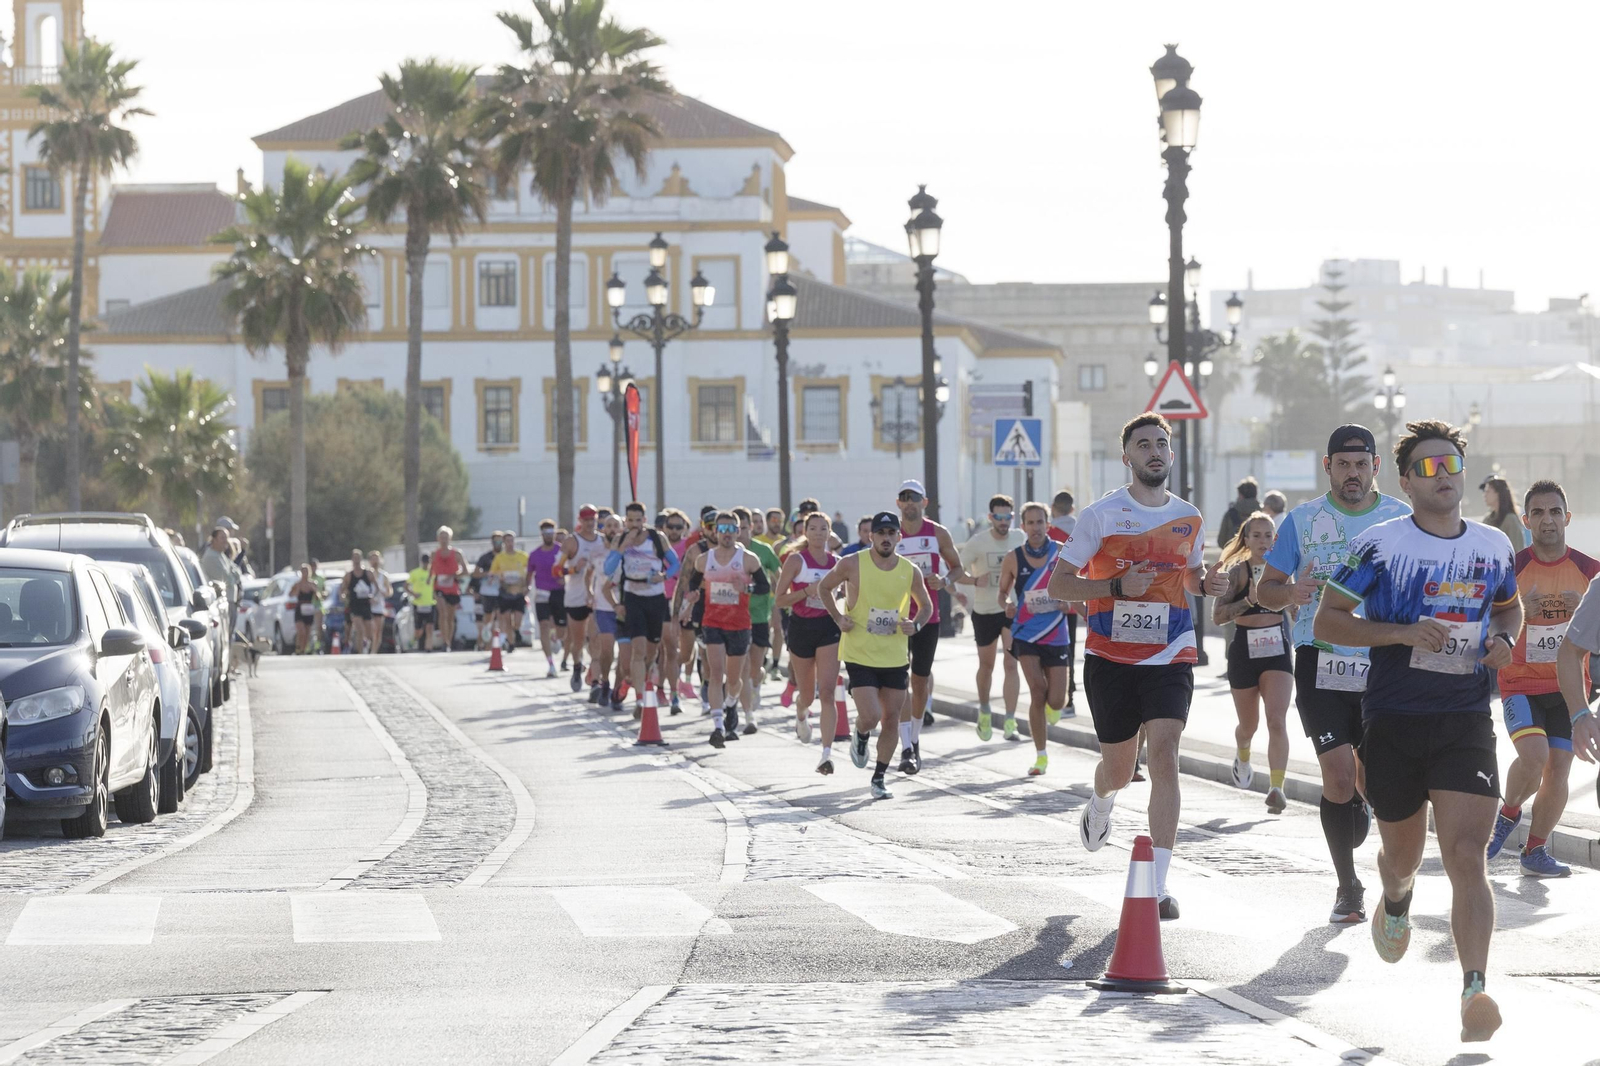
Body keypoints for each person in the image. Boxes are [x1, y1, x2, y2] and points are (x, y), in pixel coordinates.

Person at [1315, 418, 1519, 1044]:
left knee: (1467, 856)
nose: (1443, 475)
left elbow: (1508, 608)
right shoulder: (1379, 545)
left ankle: (1475, 988)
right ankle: (1397, 897)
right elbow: (1328, 620)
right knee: (1402, 858)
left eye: (1452, 463)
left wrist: (1505, 641)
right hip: (1395, 719)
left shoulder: (1493, 545)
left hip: (1465, 718)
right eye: (1428, 467)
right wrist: (1401, 633)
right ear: (1405, 482)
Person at [1049, 413, 1228, 921]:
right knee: (1120, 771)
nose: (1154, 451)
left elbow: (1189, 575)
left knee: (1165, 755)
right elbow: (1059, 585)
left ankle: (1158, 884)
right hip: (1111, 657)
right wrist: (1113, 587)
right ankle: (1100, 799)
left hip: (1171, 651)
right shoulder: (1101, 516)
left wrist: (1206, 585)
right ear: (1126, 457)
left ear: (1170, 454)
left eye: (1161, 444)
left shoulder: (1189, 517)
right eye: (1143, 444)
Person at [1256, 423, 1412, 924]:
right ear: (1328, 467)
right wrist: (1290, 594)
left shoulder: (1401, 518)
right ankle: (1349, 887)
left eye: (1361, 464)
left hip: (1381, 664)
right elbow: (1265, 590)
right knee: (1338, 777)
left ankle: (1366, 814)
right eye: (1342, 465)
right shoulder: (1302, 521)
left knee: (1377, 780)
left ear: (1375, 466)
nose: (1352, 474)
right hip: (1319, 660)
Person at [1488, 481, 1599, 877]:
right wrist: (1521, 610)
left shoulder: (1590, 571)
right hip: (1520, 683)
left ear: (1567, 518)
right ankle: (1508, 812)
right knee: (1534, 756)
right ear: (1526, 520)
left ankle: (1534, 851)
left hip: (1569, 689)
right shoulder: (1511, 568)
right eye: (1538, 512)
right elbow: (1486, 621)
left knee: (1559, 769)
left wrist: (1584, 612)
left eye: (1554, 512)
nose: (1547, 520)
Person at [815, 510, 932, 799]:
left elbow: (926, 606)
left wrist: (915, 625)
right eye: (881, 533)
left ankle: (879, 777)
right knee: (871, 715)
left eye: (891, 533)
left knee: (891, 719)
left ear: (899, 537)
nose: (886, 538)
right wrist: (838, 618)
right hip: (860, 652)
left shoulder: (910, 571)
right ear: (871, 536)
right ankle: (861, 733)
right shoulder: (852, 563)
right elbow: (824, 587)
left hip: (894, 655)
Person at [1212, 511, 1294, 813]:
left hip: (1276, 650)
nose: (1263, 541)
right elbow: (1217, 616)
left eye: (1268, 535)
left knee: (1277, 720)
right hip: (1244, 650)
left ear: (1275, 539)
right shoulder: (1237, 571)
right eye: (1256, 535)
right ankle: (1243, 753)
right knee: (1249, 726)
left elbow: (1297, 610)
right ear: (1246, 539)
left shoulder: (1283, 571)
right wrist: (1249, 600)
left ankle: (1276, 787)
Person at [893, 479, 967, 774]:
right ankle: (905, 745)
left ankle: (914, 737)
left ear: (924, 502)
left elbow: (958, 568)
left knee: (920, 681)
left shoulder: (937, 532)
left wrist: (944, 581)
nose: (909, 502)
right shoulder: (890, 533)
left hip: (928, 617)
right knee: (900, 681)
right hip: (896, 619)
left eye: (915, 498)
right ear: (898, 503)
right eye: (904, 497)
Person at [998, 502, 1071, 777]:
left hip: (1056, 632)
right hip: (1025, 633)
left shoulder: (1061, 553)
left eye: (1040, 522)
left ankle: (1055, 708)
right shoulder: (1013, 557)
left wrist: (1068, 602)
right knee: (1037, 690)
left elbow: (1076, 585)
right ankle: (1041, 756)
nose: (1036, 527)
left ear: (1047, 524)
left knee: (1057, 700)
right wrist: (1007, 604)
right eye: (1030, 523)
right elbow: (1002, 593)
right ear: (1023, 527)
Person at [774, 512, 842, 769]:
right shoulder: (796, 560)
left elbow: (849, 595)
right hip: (801, 627)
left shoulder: (838, 563)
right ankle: (801, 714)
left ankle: (826, 753)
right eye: (812, 528)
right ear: (805, 532)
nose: (818, 533)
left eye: (823, 528)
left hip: (828, 628)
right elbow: (779, 600)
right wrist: (807, 591)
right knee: (807, 695)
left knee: (827, 691)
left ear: (829, 533)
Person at [696, 511, 769, 747]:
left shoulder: (748, 559)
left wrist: (746, 588)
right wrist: (690, 601)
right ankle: (718, 726)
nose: (726, 534)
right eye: (722, 529)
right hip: (712, 622)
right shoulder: (704, 560)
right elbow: (692, 585)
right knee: (716, 673)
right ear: (715, 532)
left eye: (731, 529)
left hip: (739, 625)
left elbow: (764, 587)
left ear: (738, 532)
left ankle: (731, 704)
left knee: (734, 679)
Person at [955, 495, 1024, 741]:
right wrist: (974, 580)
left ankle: (1010, 720)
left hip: (1010, 610)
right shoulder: (977, 542)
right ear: (990, 517)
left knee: (1011, 664)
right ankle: (984, 710)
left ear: (1012, 518)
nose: (1003, 521)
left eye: (1008, 517)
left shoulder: (1019, 538)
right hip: (984, 611)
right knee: (987, 666)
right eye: (999, 517)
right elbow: (956, 571)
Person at [615, 502, 679, 718]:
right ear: (625, 521)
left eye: (638, 520)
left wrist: (664, 576)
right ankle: (640, 699)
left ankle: (643, 678)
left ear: (644, 520)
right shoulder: (620, 539)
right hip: (633, 597)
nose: (634, 524)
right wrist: (623, 547)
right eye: (630, 520)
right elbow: (608, 568)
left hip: (655, 598)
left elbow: (675, 564)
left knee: (652, 652)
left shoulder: (657, 538)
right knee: (638, 650)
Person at [735, 508, 783, 731]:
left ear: (751, 528)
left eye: (745, 528)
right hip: (734, 617)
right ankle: (748, 714)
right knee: (742, 667)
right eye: (738, 529)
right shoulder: (726, 554)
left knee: (755, 668)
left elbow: (778, 572)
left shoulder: (762, 550)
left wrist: (779, 593)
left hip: (760, 615)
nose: (741, 533)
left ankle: (756, 684)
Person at [560, 507, 607, 692]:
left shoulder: (603, 541)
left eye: (592, 520)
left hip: (597, 597)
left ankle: (595, 681)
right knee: (578, 641)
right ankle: (577, 666)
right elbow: (555, 570)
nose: (589, 523)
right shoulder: (572, 541)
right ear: (580, 521)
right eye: (586, 520)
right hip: (576, 597)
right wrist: (573, 569)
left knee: (595, 639)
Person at [1046, 489, 1082, 716]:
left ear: (1052, 508)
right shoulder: (1082, 530)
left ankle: (1053, 699)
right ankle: (1069, 699)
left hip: (1049, 602)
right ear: (1072, 509)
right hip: (1075, 598)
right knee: (1069, 650)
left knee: (1048, 652)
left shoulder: (1048, 533)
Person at [528, 520, 566, 677]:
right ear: (541, 534)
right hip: (542, 593)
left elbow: (570, 568)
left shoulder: (562, 550)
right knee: (543, 625)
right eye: (545, 533)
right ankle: (550, 664)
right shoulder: (534, 554)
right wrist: (526, 588)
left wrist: (566, 578)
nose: (548, 536)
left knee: (561, 629)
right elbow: (529, 573)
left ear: (554, 533)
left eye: (551, 532)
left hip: (559, 592)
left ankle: (556, 636)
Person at [429, 526, 467, 652]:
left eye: (446, 537)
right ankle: (445, 641)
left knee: (450, 617)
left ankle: (449, 642)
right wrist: (429, 579)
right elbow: (431, 569)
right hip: (439, 587)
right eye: (441, 537)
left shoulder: (457, 554)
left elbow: (466, 571)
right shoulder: (434, 554)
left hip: (453, 588)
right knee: (442, 613)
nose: (444, 540)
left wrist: (454, 575)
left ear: (450, 539)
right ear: (438, 539)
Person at [492, 536, 529, 653]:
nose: (510, 543)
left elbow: (530, 572)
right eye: (507, 541)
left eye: (512, 540)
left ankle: (516, 630)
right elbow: (492, 572)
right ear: (504, 543)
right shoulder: (499, 557)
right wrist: (499, 577)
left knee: (517, 620)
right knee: (507, 619)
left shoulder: (523, 556)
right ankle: (511, 643)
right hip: (505, 593)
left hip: (519, 593)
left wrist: (527, 586)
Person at [473, 532, 505, 651]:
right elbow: (475, 573)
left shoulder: (506, 556)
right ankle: (485, 642)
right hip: (488, 591)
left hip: (502, 591)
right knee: (488, 618)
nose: (498, 544)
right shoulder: (485, 558)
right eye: (496, 541)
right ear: (492, 543)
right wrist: (489, 573)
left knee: (501, 616)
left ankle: (498, 642)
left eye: (500, 541)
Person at [342, 550, 377, 654]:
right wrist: (343, 596)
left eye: (358, 558)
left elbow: (376, 587)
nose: (356, 560)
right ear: (352, 559)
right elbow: (342, 589)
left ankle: (368, 647)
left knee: (369, 632)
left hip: (366, 604)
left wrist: (373, 596)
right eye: (354, 558)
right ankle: (360, 653)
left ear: (361, 559)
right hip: (354, 605)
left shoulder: (368, 573)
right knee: (359, 630)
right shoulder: (349, 575)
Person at [1481, 474, 1527, 549]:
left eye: (1488, 491)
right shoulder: (1487, 520)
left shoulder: (1511, 520)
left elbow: (1517, 549)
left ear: (1498, 493)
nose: (1484, 495)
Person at [1217, 476, 1260, 549]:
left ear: (1240, 495)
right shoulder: (1264, 514)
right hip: (1259, 555)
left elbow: (1221, 541)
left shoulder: (1231, 514)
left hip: (1235, 553)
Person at [408, 553, 436, 652]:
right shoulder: (415, 573)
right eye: (424, 563)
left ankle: (428, 647)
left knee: (430, 627)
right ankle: (413, 640)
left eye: (428, 562)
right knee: (419, 630)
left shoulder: (433, 573)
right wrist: (413, 594)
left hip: (430, 603)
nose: (426, 564)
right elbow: (406, 586)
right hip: (418, 604)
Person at [291, 564, 320, 654]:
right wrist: (297, 590)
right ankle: (298, 647)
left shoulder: (313, 584)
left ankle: (303, 650)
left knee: (307, 631)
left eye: (306, 571)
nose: (305, 573)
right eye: (303, 571)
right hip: (300, 608)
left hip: (309, 608)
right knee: (301, 630)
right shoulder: (297, 584)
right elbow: (291, 594)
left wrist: (315, 591)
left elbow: (318, 598)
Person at [367, 551, 392, 652]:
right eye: (373, 559)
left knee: (377, 630)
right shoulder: (367, 574)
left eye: (377, 559)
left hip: (379, 606)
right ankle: (367, 648)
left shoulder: (383, 575)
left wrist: (385, 593)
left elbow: (389, 591)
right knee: (370, 630)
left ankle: (374, 651)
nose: (375, 561)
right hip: (368, 606)